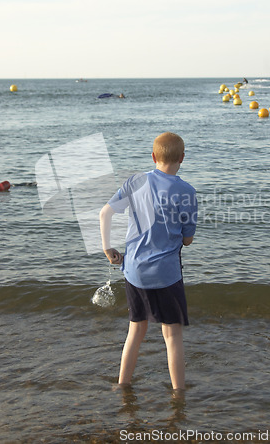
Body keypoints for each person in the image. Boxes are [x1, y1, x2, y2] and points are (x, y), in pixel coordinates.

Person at [99, 132, 197, 391]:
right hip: (166, 274)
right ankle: (178, 394)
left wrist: (108, 247)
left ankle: (123, 384)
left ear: (153, 157)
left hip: (134, 270)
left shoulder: (135, 182)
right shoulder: (186, 191)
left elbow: (105, 213)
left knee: (135, 331)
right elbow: (187, 240)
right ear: (182, 159)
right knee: (172, 336)